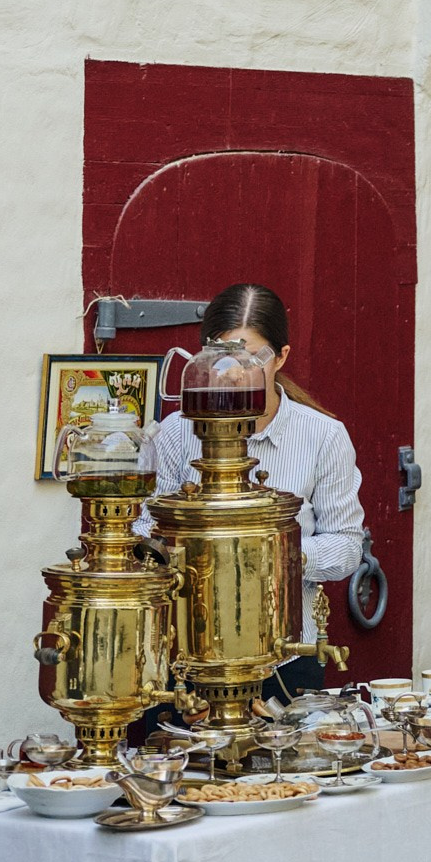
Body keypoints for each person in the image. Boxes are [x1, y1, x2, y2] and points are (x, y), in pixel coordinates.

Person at [146, 283, 365, 698]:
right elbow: (144, 529)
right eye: (223, 355)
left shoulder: (323, 436)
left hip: (285, 658)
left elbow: (347, 546)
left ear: (281, 357)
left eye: (249, 358)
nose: (233, 372)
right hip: (184, 656)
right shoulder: (176, 432)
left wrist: (275, 557)